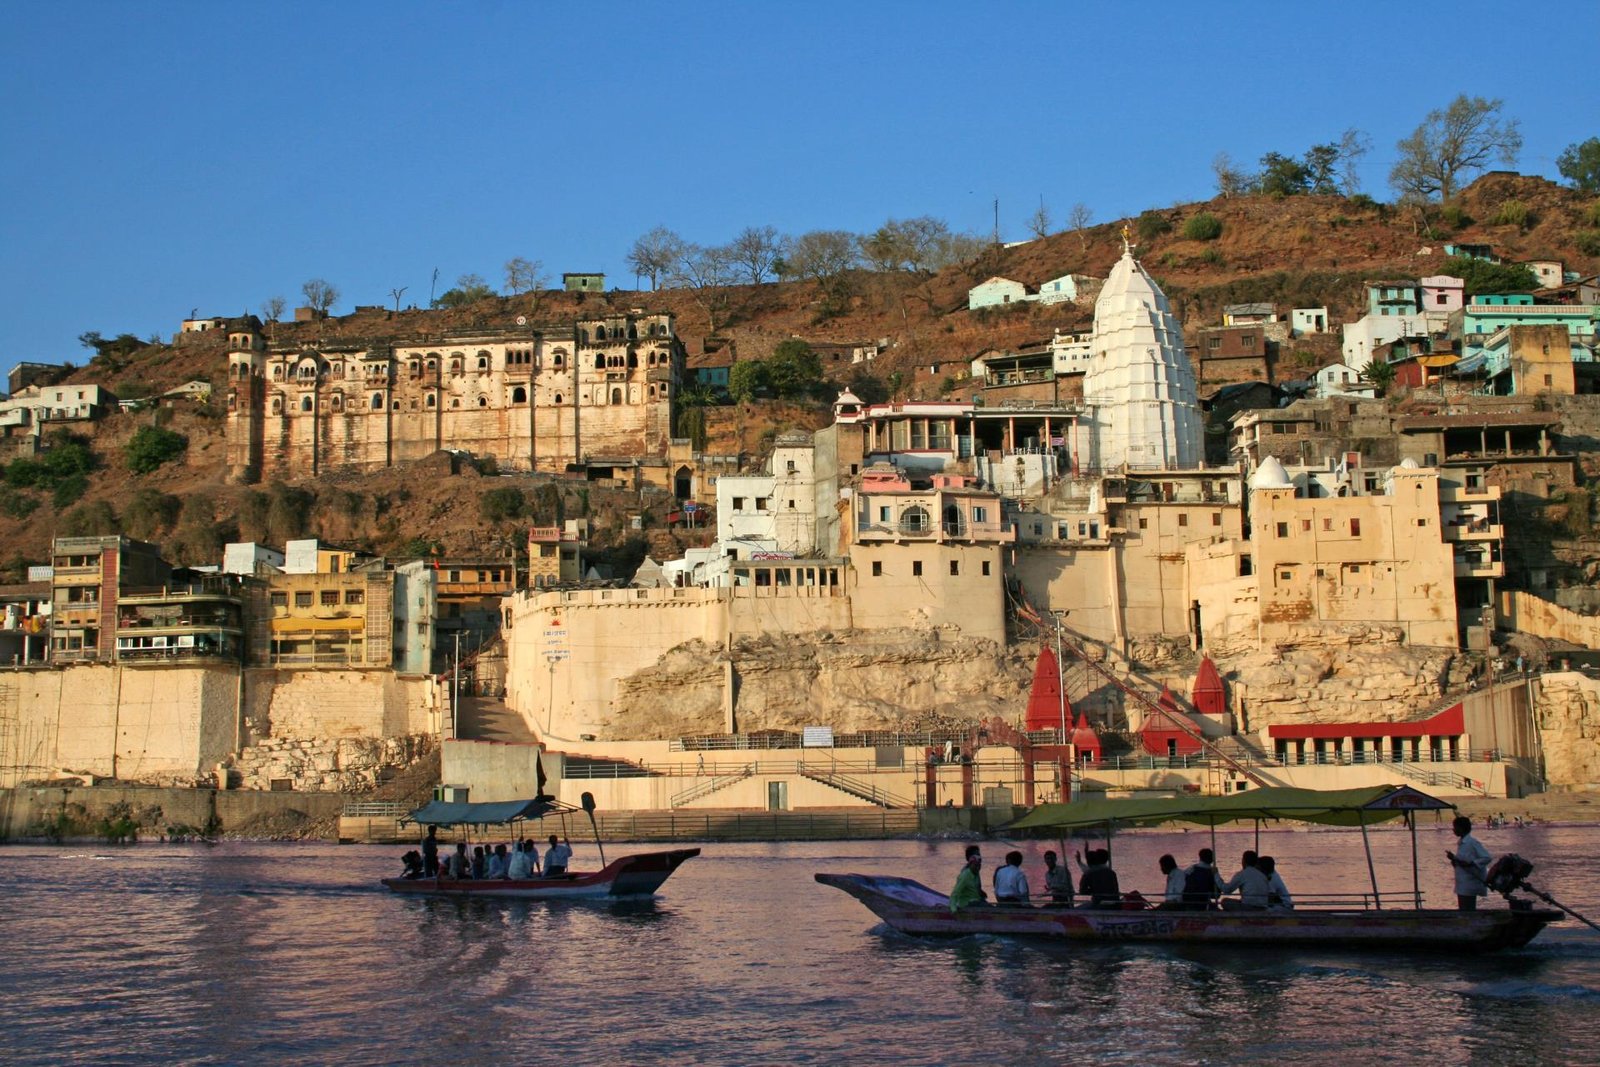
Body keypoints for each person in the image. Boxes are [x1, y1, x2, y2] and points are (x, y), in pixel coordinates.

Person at [1447, 815, 1491, 911]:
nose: (1453, 830)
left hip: (1469, 883)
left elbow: (1487, 857)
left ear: (1461, 829)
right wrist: (1453, 859)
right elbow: (1461, 861)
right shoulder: (1461, 843)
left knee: (1467, 910)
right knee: (1464, 909)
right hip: (1462, 882)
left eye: (1455, 827)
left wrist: (1472, 863)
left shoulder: (1472, 843)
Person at [950, 845, 989, 911]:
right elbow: (955, 893)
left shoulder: (976, 871)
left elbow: (974, 888)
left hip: (976, 901)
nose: (979, 857)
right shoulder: (965, 874)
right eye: (977, 855)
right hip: (968, 904)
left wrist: (981, 892)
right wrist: (953, 909)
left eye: (979, 855)